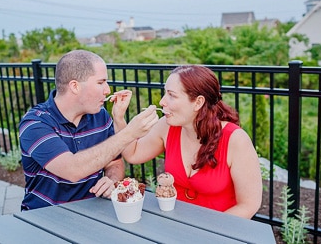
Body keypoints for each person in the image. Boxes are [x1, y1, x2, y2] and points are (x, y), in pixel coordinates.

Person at [111, 64, 262, 218]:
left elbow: (249, 204)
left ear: (198, 102)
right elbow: (133, 154)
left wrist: (207, 234)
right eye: (165, 93)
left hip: (219, 232)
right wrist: (119, 117)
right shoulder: (167, 126)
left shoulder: (236, 139)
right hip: (174, 224)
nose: (162, 101)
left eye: (172, 95)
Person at [18, 49, 159, 210]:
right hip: (43, 217)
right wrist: (129, 133)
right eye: (100, 82)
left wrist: (111, 180)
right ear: (75, 86)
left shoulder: (100, 116)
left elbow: (115, 162)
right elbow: (72, 170)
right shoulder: (35, 123)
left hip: (92, 212)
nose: (107, 90)